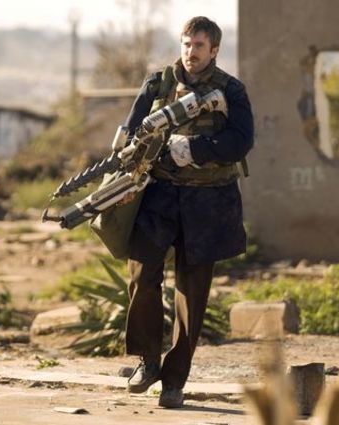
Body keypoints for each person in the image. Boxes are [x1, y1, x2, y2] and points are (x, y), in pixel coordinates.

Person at [122, 16, 254, 408]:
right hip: (159, 195)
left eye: (199, 46)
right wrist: (129, 167)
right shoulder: (157, 85)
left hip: (207, 201)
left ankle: (174, 381)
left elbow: (241, 141)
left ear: (214, 50)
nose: (190, 52)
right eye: (186, 44)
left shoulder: (231, 90)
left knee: (192, 294)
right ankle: (148, 360)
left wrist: (195, 149)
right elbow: (131, 135)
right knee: (141, 276)